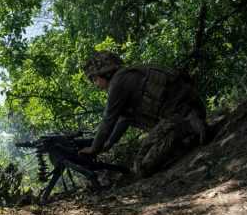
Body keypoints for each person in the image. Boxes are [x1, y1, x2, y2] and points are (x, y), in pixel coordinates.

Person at [78, 51, 207, 178]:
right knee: (149, 157)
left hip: (178, 116)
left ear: (104, 72)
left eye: (94, 78)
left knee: (141, 167)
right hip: (186, 109)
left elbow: (108, 119)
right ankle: (189, 130)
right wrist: (109, 144)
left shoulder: (117, 82)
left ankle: (188, 128)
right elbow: (125, 119)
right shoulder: (127, 75)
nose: (95, 84)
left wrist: (93, 149)